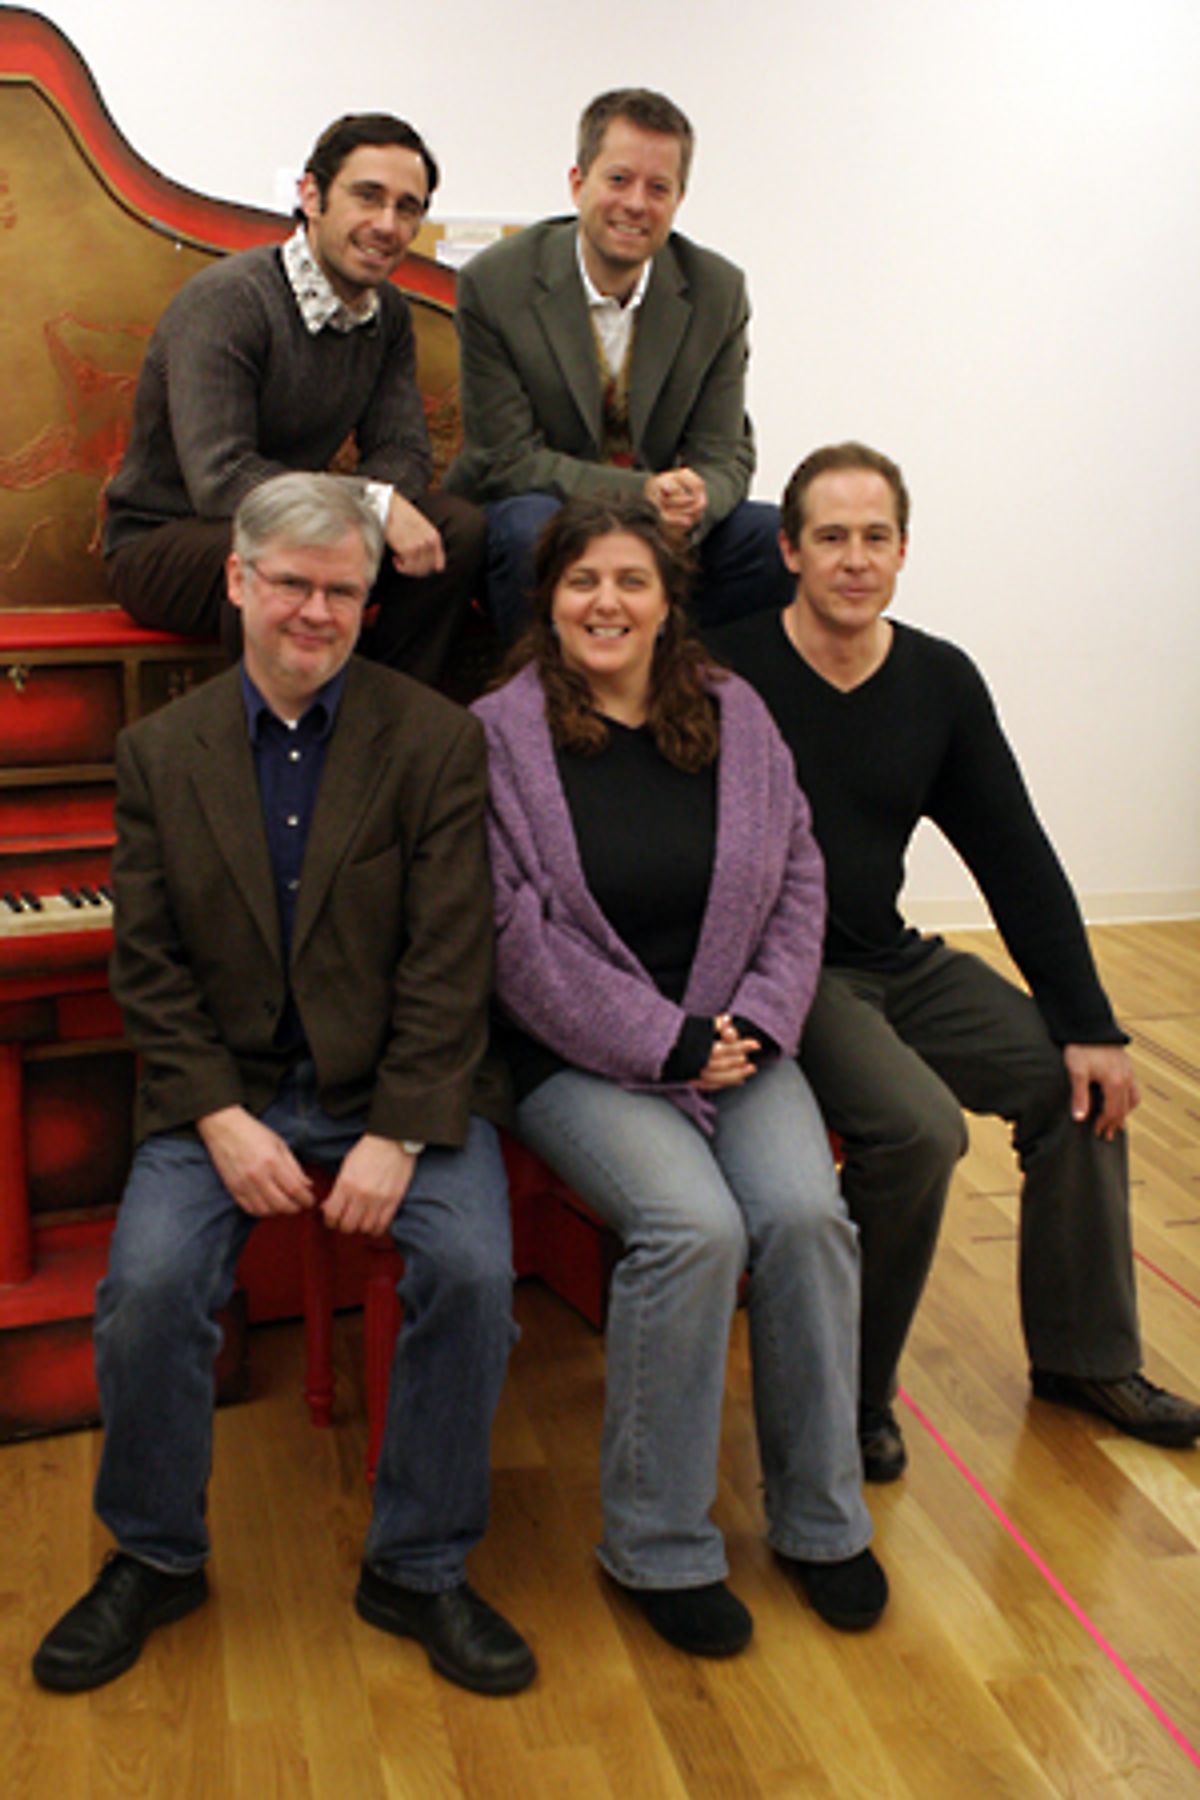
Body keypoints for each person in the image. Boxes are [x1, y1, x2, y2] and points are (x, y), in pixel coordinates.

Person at [33, 474, 534, 1698]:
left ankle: (416, 1566)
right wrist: (219, 1118)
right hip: (227, 1095)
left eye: (343, 592)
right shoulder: (161, 750)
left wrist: (403, 1136)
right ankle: (154, 1555)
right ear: (239, 582)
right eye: (294, 586)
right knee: (148, 1288)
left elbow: (449, 956)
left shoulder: (434, 738)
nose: (315, 613)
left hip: (395, 1094)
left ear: (370, 601)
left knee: (472, 1276)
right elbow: (144, 965)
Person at [708, 442, 1200, 1481]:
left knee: (1080, 1090)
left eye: (874, 538)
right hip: (791, 976)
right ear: (788, 549)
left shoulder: (938, 678)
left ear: (902, 551)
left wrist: (1092, 1022)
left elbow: (1015, 857)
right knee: (919, 1130)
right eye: (830, 537)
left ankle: (1083, 1357)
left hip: (891, 956)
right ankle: (852, 1398)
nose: (854, 559)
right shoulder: (728, 670)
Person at [471, 495, 886, 1657]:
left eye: (631, 582)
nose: (606, 602)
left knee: (806, 1215)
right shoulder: (500, 733)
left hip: (738, 1038)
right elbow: (510, 936)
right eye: (581, 582)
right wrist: (662, 1040)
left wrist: (751, 1017)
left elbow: (800, 875)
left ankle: (821, 1518)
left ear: (667, 604)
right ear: (547, 602)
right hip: (582, 1054)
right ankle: (656, 1544)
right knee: (695, 1228)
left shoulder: (735, 712)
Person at [103, 113, 484, 687]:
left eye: (407, 208)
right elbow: (220, 478)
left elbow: (402, 450)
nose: (387, 224)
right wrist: (372, 508)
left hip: (307, 528)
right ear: (312, 195)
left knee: (457, 529)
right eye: (367, 197)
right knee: (279, 557)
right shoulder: (230, 300)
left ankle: (389, 715)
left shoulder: (389, 314)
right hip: (168, 540)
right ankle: (279, 748)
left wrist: (364, 513)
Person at [444, 88, 793, 640]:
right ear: (578, 184)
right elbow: (504, 460)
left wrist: (698, 499)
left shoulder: (718, 291)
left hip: (661, 528)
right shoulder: (496, 282)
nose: (637, 203)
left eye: (659, 188)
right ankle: (542, 707)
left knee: (773, 539)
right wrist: (641, 497)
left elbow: (724, 452)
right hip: (545, 515)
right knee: (524, 527)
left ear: (679, 198)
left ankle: (685, 697)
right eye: (619, 180)